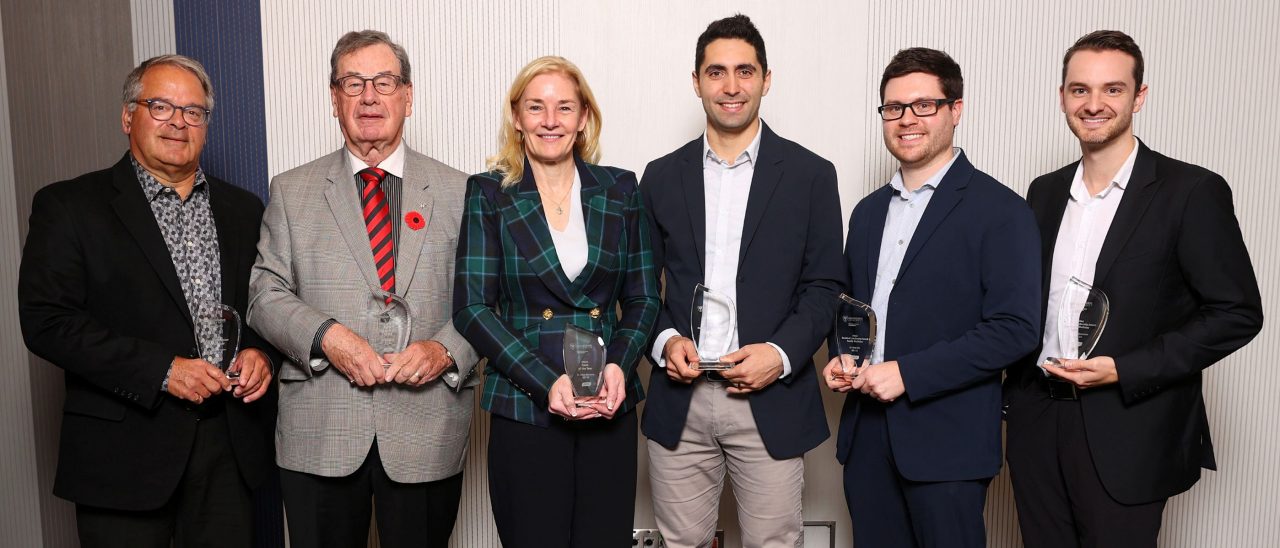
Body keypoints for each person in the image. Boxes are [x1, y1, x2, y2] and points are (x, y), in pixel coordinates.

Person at [1003, 30, 1264, 548]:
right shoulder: (1044, 191)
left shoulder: (1191, 191)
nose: (1094, 104)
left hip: (1128, 426)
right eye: (1080, 90)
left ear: (1139, 96)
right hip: (1037, 420)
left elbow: (1236, 312)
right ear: (1062, 97)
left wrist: (1126, 368)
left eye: (1112, 90)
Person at [18, 54, 276, 548]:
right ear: (127, 117)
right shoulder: (69, 206)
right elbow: (47, 321)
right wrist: (164, 370)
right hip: (123, 457)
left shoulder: (244, 209)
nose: (178, 122)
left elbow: (265, 303)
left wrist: (262, 352)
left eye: (194, 111)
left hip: (228, 451)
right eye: (160, 106)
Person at [247, 30, 478, 548]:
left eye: (384, 81)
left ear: (408, 96)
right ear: (334, 100)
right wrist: (328, 337)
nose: (369, 96)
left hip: (425, 431)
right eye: (353, 83)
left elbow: (486, 298)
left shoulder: (463, 191)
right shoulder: (291, 190)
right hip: (321, 430)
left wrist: (445, 350)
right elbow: (265, 293)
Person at [822, 47, 1041, 547]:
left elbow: (1016, 328)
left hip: (948, 444)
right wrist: (842, 355)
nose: (906, 119)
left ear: (955, 109)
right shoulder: (867, 212)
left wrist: (908, 373)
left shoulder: (1001, 210)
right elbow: (852, 308)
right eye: (894, 107)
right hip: (866, 440)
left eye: (924, 105)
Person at [641, 14, 845, 547]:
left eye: (744, 72)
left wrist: (778, 355)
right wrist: (664, 343)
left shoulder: (810, 176)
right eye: (716, 73)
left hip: (770, 399)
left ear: (766, 79)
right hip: (679, 398)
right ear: (696, 82)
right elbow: (639, 287)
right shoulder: (660, 176)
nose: (731, 87)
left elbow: (825, 288)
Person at [452, 55, 660, 548]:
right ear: (517, 117)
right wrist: (547, 382)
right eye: (536, 107)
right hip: (527, 407)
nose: (550, 120)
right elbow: (471, 307)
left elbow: (644, 296)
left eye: (564, 107)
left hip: (608, 404)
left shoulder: (621, 188)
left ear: (583, 117)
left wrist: (620, 366)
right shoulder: (490, 193)